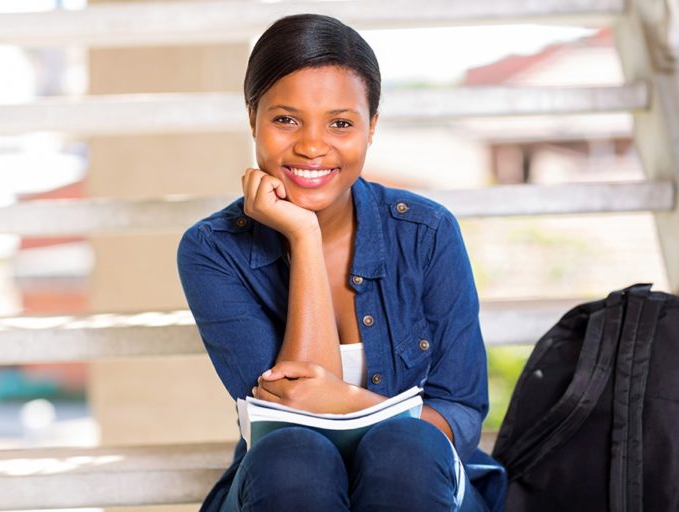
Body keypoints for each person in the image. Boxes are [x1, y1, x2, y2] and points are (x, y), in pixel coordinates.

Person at [177, 13, 506, 512]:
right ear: (252, 119)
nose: (312, 145)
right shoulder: (214, 250)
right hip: (286, 487)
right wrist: (304, 237)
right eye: (286, 119)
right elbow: (292, 417)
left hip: (421, 486)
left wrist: (350, 402)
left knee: (407, 450)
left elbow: (459, 413)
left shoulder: (426, 233)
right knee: (293, 457)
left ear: (371, 127)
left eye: (341, 123)